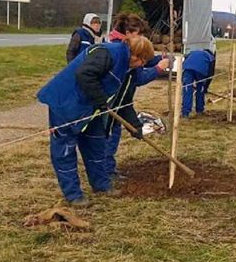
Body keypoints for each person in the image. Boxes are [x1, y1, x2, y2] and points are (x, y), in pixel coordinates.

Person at [37, 35, 158, 206]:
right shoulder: (109, 53)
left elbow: (124, 101)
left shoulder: (128, 70)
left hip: (91, 108)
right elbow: (84, 74)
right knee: (65, 150)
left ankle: (101, 185)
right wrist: (101, 100)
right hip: (66, 103)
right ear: (135, 55)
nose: (144, 65)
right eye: (143, 61)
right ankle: (73, 195)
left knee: (96, 144)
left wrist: (135, 126)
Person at [104, 13, 168, 181]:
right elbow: (138, 77)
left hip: (120, 101)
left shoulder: (122, 47)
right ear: (128, 32)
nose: (141, 37)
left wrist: (156, 60)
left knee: (112, 133)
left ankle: (107, 170)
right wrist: (158, 69)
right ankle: (105, 172)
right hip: (113, 101)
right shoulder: (123, 52)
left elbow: (141, 65)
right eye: (138, 34)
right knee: (109, 135)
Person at [181, 48, 216, 118]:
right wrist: (205, 87)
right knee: (200, 90)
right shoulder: (211, 58)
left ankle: (185, 113)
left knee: (187, 90)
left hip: (187, 69)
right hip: (201, 71)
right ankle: (200, 110)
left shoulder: (193, 52)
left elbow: (185, 59)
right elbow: (210, 75)